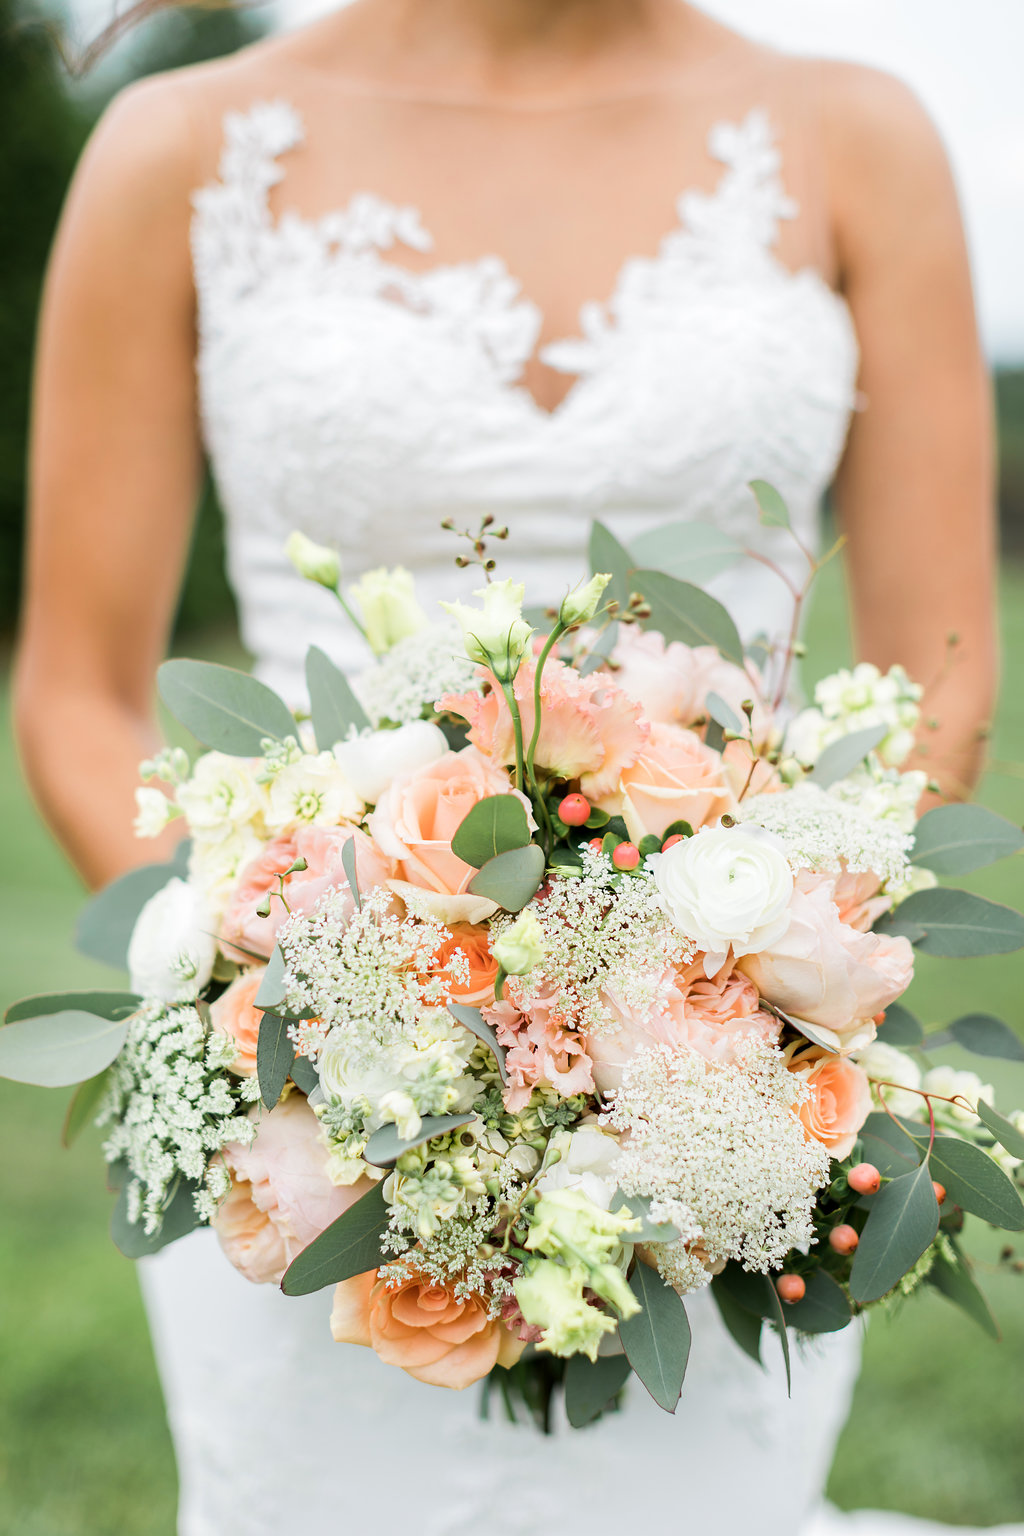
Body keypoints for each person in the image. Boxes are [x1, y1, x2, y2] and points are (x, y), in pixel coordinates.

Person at [14, 2, 1002, 1533]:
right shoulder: (182, 147)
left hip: (716, 1125)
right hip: (307, 1120)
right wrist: (296, 1017)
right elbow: (77, 690)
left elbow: (937, 693)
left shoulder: (852, 132)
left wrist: (720, 1041)